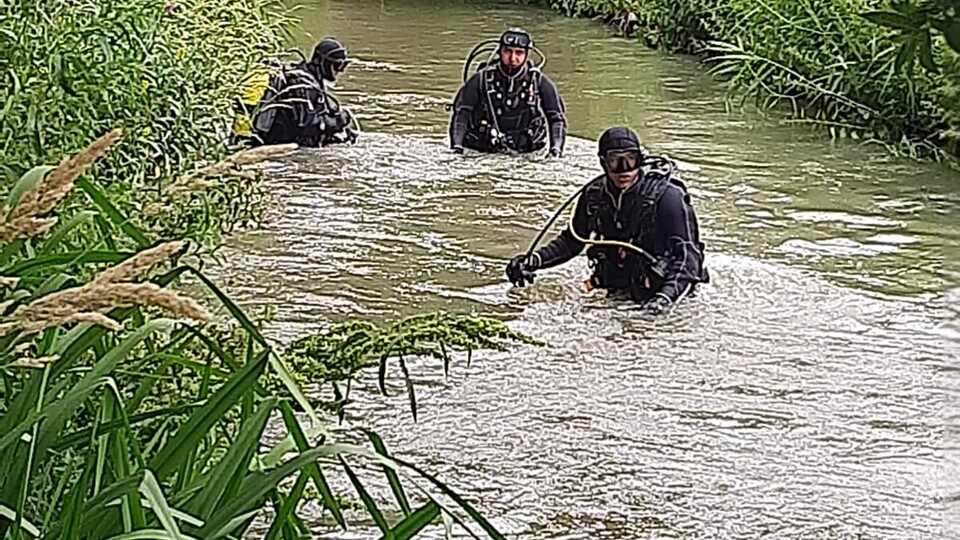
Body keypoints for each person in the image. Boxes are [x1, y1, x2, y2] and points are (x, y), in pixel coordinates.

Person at [504, 126, 709, 314]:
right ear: (603, 162)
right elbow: (572, 241)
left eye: (630, 159)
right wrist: (533, 261)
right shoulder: (594, 195)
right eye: (615, 161)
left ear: (640, 160)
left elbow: (688, 257)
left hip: (670, 295)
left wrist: (664, 299)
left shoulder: (668, 197)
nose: (624, 169)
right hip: (618, 290)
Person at [449, 28, 567, 157]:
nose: (513, 58)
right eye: (508, 51)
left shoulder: (539, 82)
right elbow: (461, 114)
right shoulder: (481, 79)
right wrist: (457, 148)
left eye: (519, 53)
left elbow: (556, 119)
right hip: (482, 150)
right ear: (500, 51)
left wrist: (556, 150)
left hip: (527, 152)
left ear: (527, 54)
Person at [234, 38, 357, 148]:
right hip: (275, 146)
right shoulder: (304, 85)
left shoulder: (307, 78)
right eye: (337, 65)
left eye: (343, 65)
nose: (340, 70)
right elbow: (308, 126)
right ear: (322, 62)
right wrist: (340, 120)